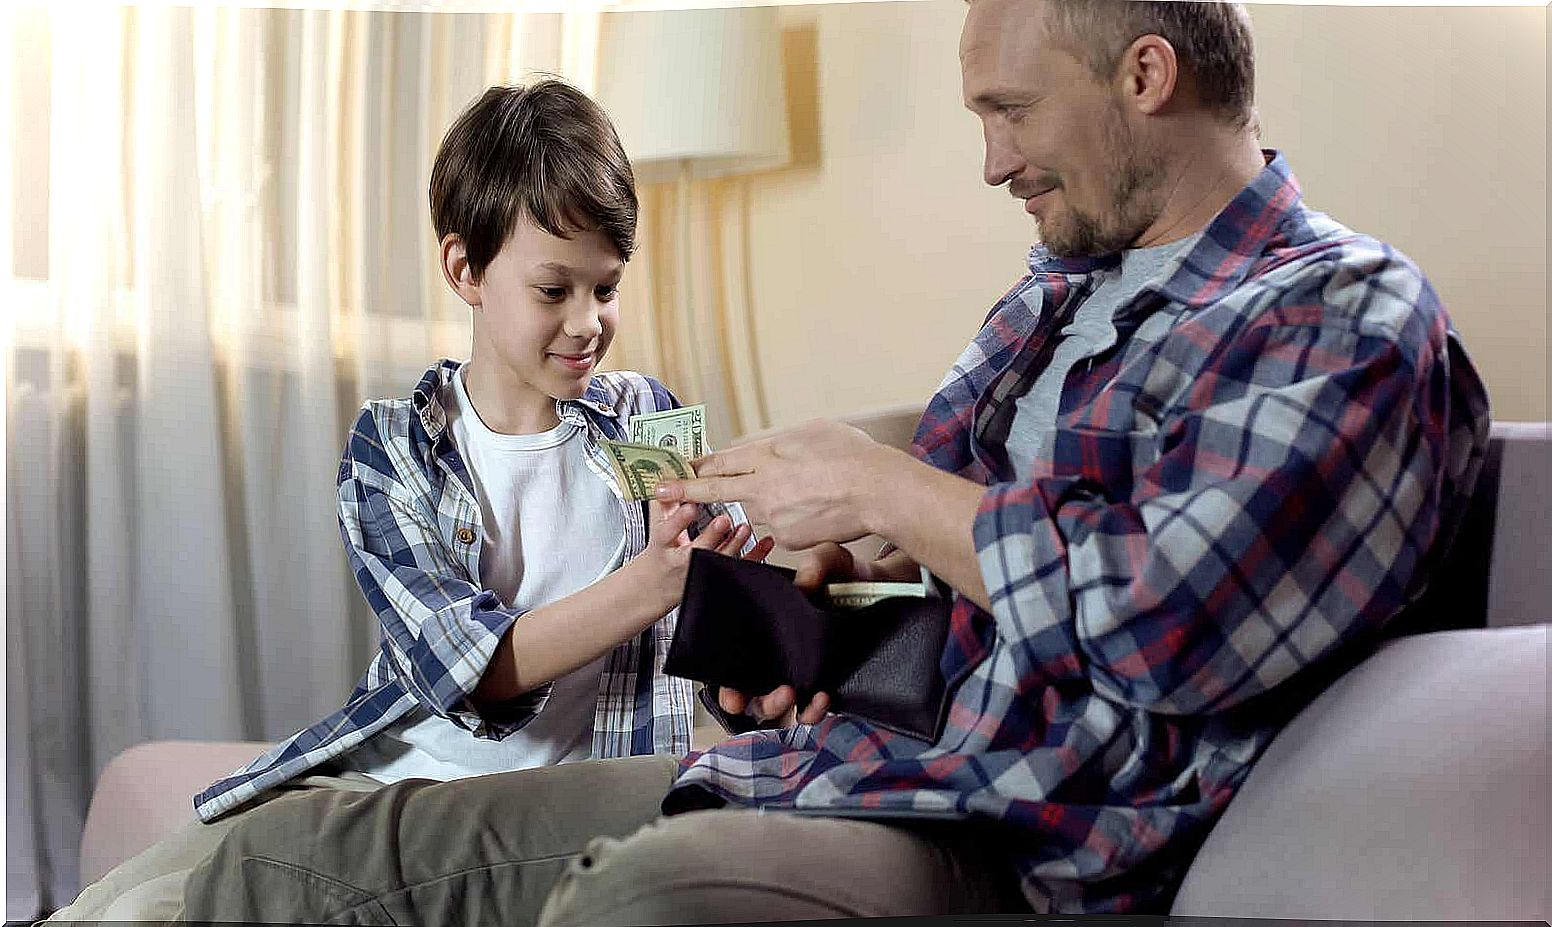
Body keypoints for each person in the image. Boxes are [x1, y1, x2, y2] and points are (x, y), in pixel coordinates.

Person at [173, 0, 1492, 922]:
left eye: (1009, 109)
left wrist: (881, 488)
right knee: (284, 852)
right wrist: (814, 622)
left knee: (636, 896)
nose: (990, 160)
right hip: (856, 765)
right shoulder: (1054, 297)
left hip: (1005, 827)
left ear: (1145, 76)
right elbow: (936, 587)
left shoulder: (1343, 316)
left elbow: (1172, 625)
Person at [46, 79, 769, 923]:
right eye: (554, 290)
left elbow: (714, 652)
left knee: (208, 901)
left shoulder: (645, 419)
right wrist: (658, 580)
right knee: (114, 903)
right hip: (388, 776)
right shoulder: (392, 448)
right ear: (465, 268)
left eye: (605, 290)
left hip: (520, 820)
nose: (586, 324)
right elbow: (472, 670)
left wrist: (737, 626)